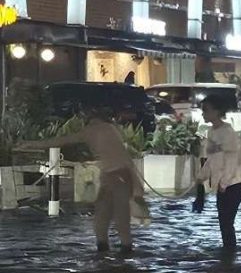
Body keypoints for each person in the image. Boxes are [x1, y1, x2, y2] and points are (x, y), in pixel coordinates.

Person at [24, 107, 148, 254]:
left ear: (88, 120)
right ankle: (117, 256)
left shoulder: (89, 131)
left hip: (115, 177)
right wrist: (137, 184)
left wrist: (30, 144)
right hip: (117, 176)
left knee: (110, 220)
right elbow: (125, 157)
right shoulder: (112, 129)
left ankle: (111, 255)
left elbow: (60, 141)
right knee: (111, 219)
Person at [197, 95, 241, 251]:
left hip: (234, 184)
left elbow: (232, 159)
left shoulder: (227, 132)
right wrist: (201, 178)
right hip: (225, 185)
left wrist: (224, 183)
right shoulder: (212, 132)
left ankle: (229, 256)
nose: (203, 114)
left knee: (226, 222)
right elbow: (212, 159)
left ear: (217, 111)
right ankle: (228, 257)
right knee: (224, 222)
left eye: (206, 110)